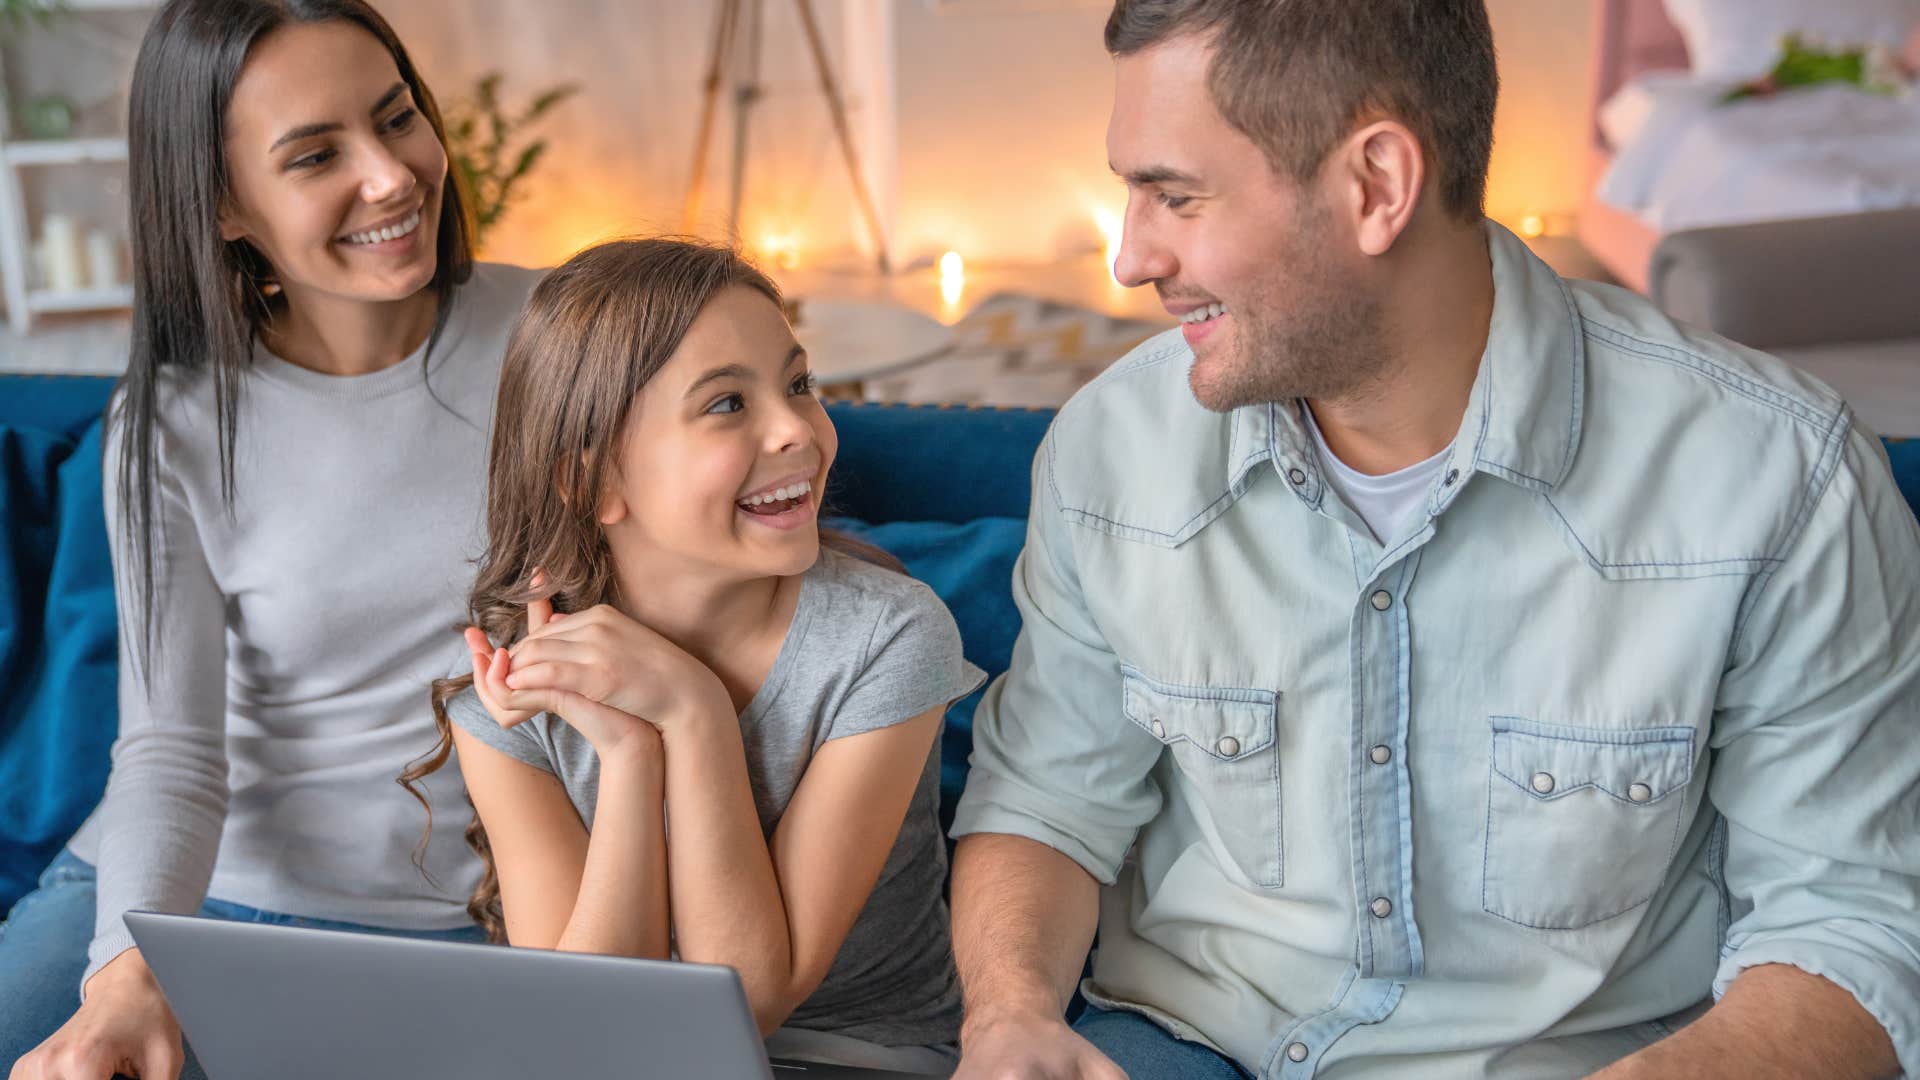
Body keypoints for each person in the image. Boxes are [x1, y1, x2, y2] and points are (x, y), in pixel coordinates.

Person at [947, 2, 1920, 1078]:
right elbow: (1046, 802)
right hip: (1189, 1047)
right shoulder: (1111, 447)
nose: (1131, 258)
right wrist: (1009, 1019)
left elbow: (1854, 926)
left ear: (1375, 187)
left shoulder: (1778, 476)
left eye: (1175, 195)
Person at [2, 3, 541, 1077]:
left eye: (398, 120)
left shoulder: (562, 337)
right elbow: (171, 746)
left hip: (449, 915)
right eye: (315, 156)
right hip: (175, 892)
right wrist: (130, 963)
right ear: (224, 206)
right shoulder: (173, 420)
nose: (390, 177)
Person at [404, 237, 982, 1075]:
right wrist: (631, 751)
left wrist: (693, 710)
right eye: (725, 406)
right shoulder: (515, 698)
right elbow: (585, 1030)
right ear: (595, 482)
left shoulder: (886, 638)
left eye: (797, 385)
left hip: (859, 1058)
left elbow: (749, 998)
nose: (798, 430)